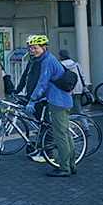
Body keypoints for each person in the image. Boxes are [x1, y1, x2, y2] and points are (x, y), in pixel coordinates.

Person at [25, 35, 75, 177]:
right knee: (65, 134)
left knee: (60, 136)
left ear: (44, 47)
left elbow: (42, 83)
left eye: (35, 48)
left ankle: (65, 168)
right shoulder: (49, 58)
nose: (32, 50)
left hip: (57, 103)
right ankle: (72, 165)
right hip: (63, 101)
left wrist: (32, 99)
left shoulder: (47, 61)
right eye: (30, 47)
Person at [58, 49, 89, 133]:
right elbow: (83, 77)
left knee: (67, 111)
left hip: (66, 91)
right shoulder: (77, 65)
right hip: (78, 91)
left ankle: (70, 129)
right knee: (79, 110)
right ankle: (85, 128)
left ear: (60, 56)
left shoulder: (60, 65)